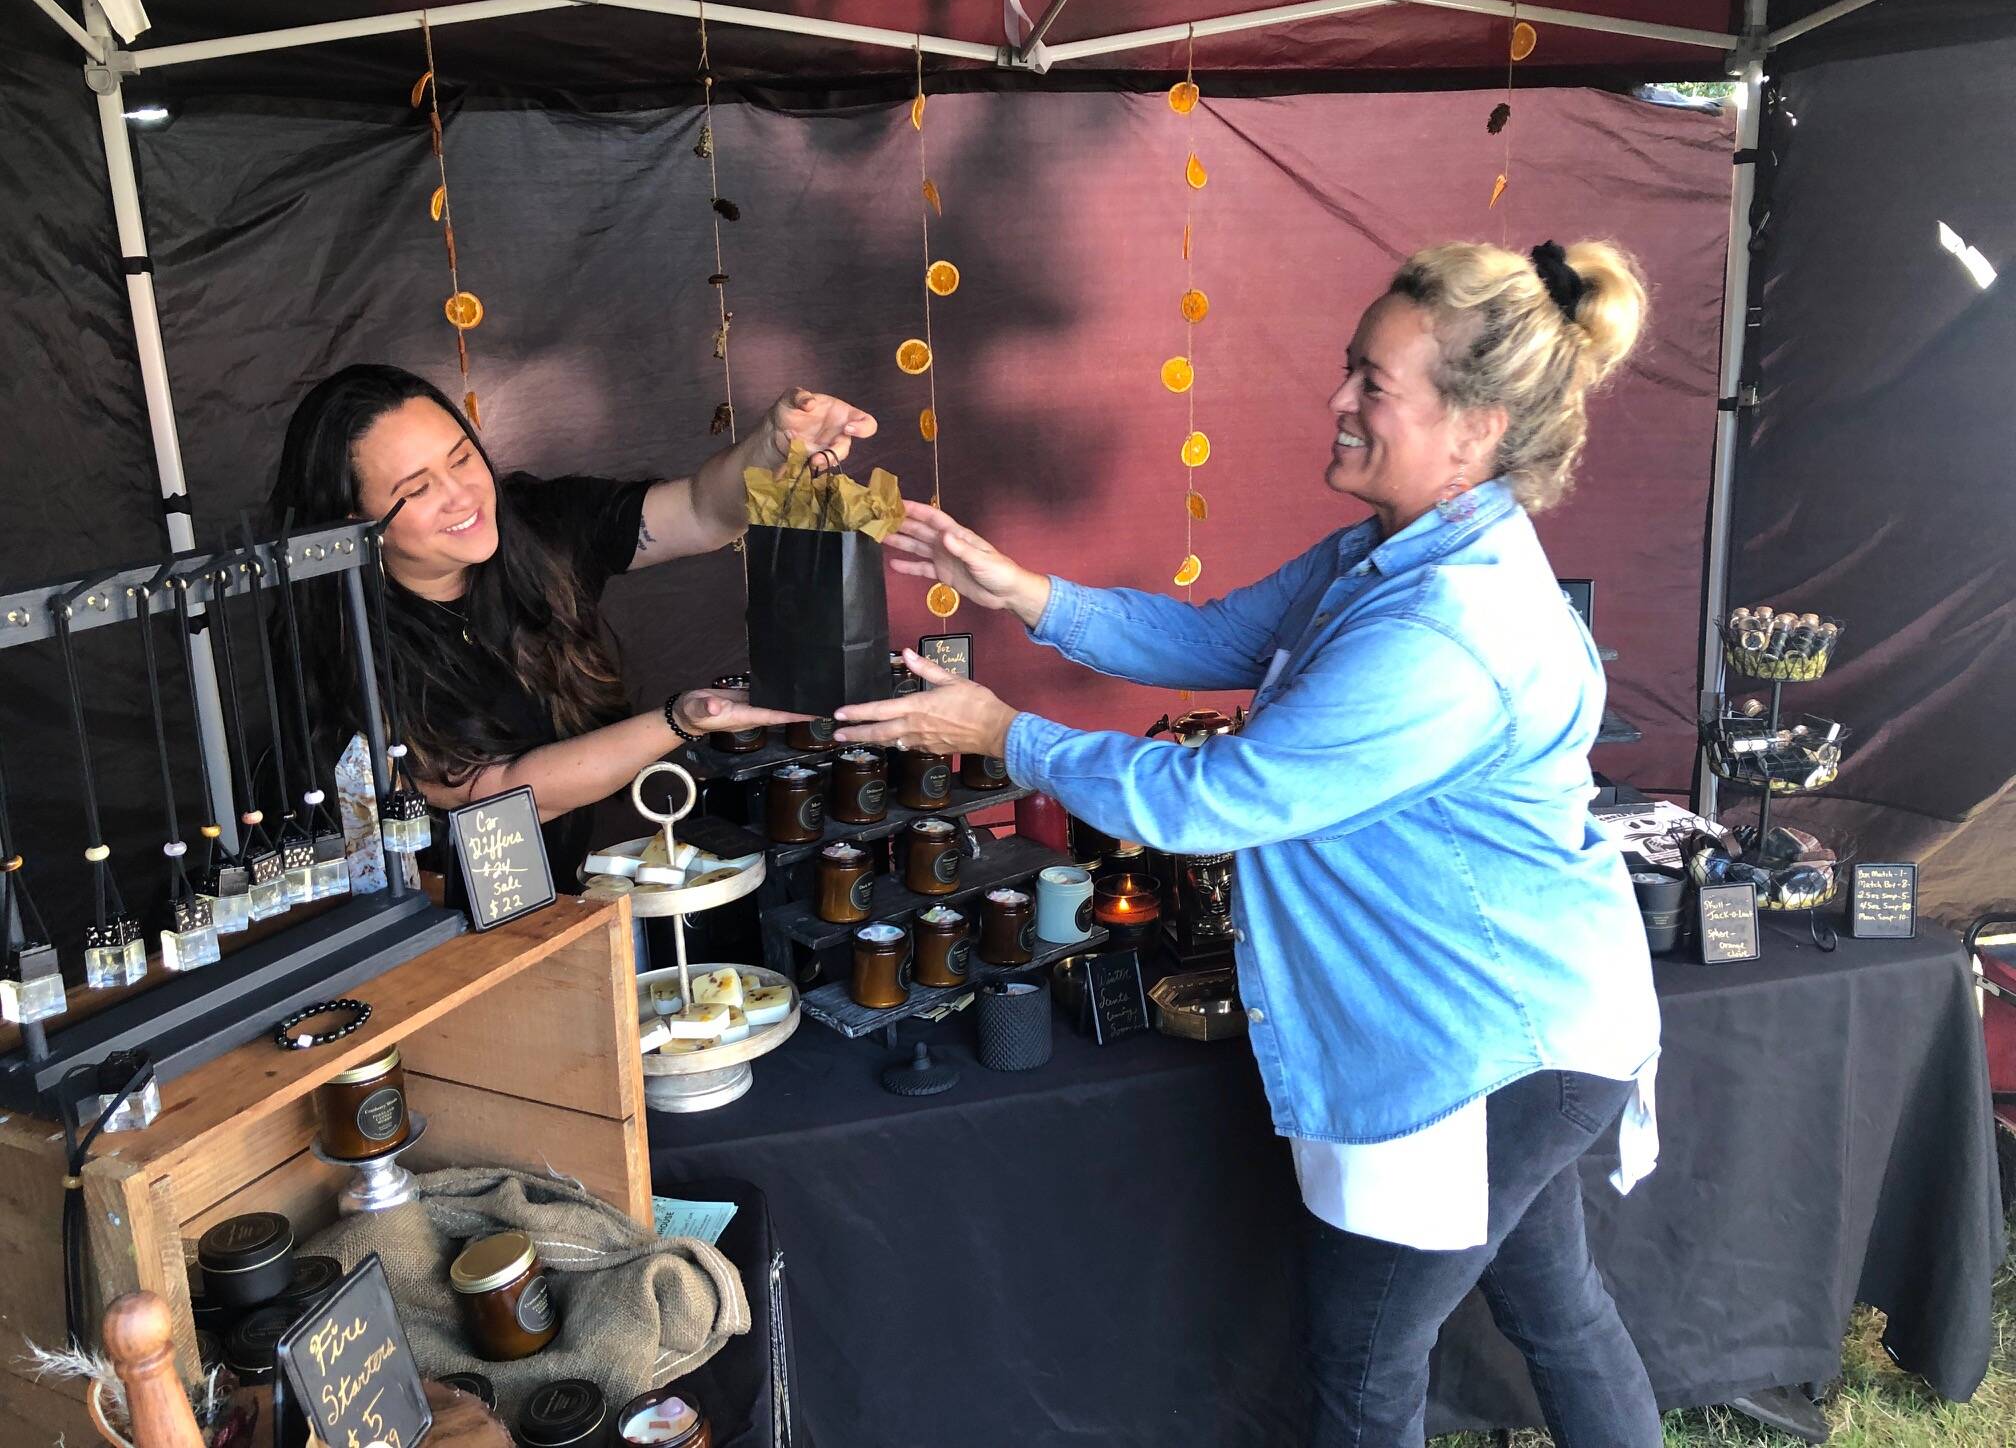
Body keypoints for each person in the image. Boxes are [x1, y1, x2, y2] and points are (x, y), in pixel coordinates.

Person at [837, 241, 1666, 1446]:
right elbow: (1217, 640)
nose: (1336, 400)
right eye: (1350, 370)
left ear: (1475, 431)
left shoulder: (1448, 629)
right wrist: (1020, 588)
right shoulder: (1393, 551)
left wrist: (1005, 735)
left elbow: (1212, 799)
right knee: (1555, 1309)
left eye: (1372, 385)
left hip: (1484, 1047)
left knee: (1367, 1365)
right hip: (1519, 1022)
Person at [269, 363, 874, 885]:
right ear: (355, 521)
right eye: (418, 488)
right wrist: (680, 719)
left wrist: (770, 448)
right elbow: (496, 793)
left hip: (573, 897)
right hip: (442, 932)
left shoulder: (535, 524)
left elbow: (699, 508)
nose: (463, 495)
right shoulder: (340, 642)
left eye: (462, 458)